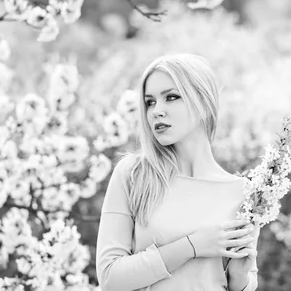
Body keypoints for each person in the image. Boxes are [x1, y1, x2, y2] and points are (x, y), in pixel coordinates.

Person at [96, 53, 260, 291]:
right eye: (150, 102)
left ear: (204, 104)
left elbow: (238, 280)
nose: (156, 111)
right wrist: (192, 246)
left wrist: (240, 279)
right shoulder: (134, 174)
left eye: (171, 97)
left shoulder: (244, 192)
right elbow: (110, 278)